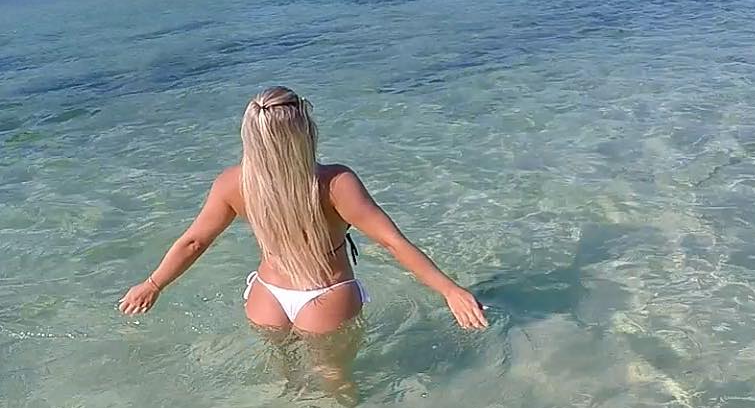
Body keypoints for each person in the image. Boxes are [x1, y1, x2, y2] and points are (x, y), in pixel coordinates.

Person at [118, 86, 488, 336]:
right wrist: (449, 290)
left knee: (287, 386)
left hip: (266, 298)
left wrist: (152, 285)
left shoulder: (233, 184)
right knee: (337, 392)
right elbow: (391, 242)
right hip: (327, 297)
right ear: (305, 131)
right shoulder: (335, 183)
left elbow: (194, 242)